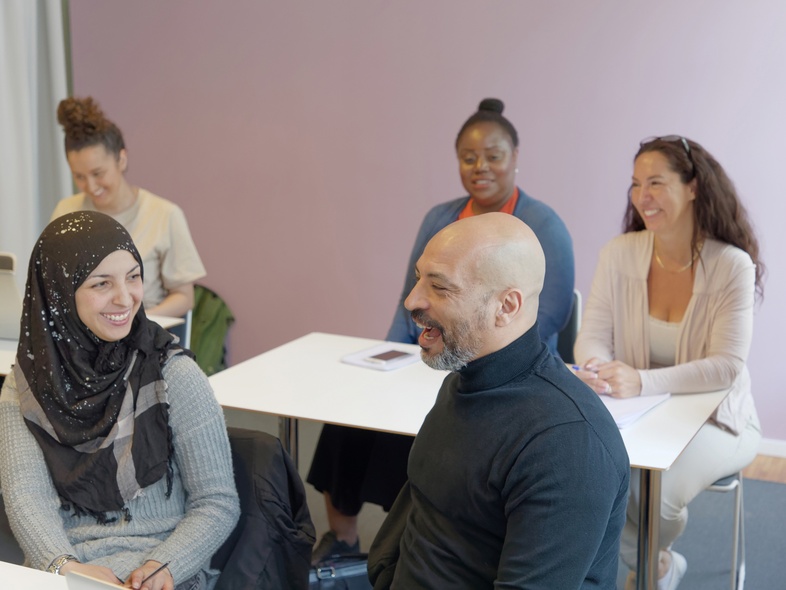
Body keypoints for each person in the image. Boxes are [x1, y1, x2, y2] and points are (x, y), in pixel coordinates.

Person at [306, 98, 575, 562]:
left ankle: (412, 546)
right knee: (351, 417)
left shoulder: (541, 226)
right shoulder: (441, 219)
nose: (480, 167)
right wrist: (390, 359)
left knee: (425, 428)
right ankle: (344, 540)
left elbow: (545, 317)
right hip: (429, 356)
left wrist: (454, 359)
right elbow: (411, 299)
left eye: (493, 155)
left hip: (496, 369)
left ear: (515, 157)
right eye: (469, 158)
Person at [367, 213, 629, 589]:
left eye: (440, 288)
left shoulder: (566, 443)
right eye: (418, 277)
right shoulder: (464, 380)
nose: (412, 300)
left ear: (506, 307)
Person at [0, 211, 239, 590]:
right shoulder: (25, 386)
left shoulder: (171, 373)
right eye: (101, 284)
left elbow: (217, 502)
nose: (124, 298)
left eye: (133, 277)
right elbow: (26, 497)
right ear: (59, 293)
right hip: (65, 568)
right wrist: (63, 566)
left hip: (163, 566)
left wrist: (166, 565)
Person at [572, 136, 763, 590]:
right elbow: (593, 337)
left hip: (719, 419)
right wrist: (598, 369)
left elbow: (726, 366)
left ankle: (651, 567)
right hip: (637, 412)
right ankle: (654, 567)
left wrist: (641, 381)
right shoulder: (620, 254)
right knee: (581, 471)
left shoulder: (732, 265)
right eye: (636, 184)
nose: (643, 196)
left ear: (693, 187)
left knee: (656, 498)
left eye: (656, 182)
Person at [52, 96, 205, 318]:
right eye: (79, 176)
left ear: (121, 159)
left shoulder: (165, 215)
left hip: (140, 335)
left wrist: (137, 321)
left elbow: (184, 297)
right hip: (81, 336)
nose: (91, 187)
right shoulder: (65, 213)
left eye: (98, 173)